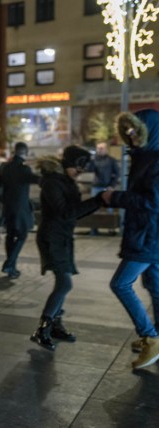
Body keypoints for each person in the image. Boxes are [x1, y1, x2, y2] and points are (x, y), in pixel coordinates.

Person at [101, 109, 159, 370]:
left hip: (149, 234)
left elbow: (153, 202)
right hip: (149, 233)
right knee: (155, 287)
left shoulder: (155, 160)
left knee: (121, 284)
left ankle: (150, 337)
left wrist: (116, 198)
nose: (131, 136)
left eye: (135, 131)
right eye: (128, 132)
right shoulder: (145, 157)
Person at [30, 146, 100, 351]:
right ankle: (43, 329)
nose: (80, 171)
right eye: (78, 166)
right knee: (64, 284)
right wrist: (97, 201)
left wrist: (96, 202)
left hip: (62, 237)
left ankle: (56, 325)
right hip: (52, 238)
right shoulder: (53, 182)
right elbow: (65, 213)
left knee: (64, 282)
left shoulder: (66, 181)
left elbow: (72, 213)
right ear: (69, 163)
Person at [0, 142, 40, 279]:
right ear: (25, 153)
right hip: (20, 209)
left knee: (10, 236)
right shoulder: (24, 169)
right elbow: (36, 179)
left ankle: (12, 269)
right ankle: (9, 264)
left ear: (14, 151)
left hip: (7, 207)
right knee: (22, 235)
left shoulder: (5, 167)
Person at [84, 142, 119, 235]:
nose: (100, 150)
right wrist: (90, 161)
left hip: (107, 186)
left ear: (106, 149)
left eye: (102, 148)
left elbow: (117, 174)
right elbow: (90, 170)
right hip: (96, 186)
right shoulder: (94, 160)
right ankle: (94, 228)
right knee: (93, 207)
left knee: (109, 208)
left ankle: (111, 228)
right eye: (98, 148)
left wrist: (112, 185)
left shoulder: (111, 160)